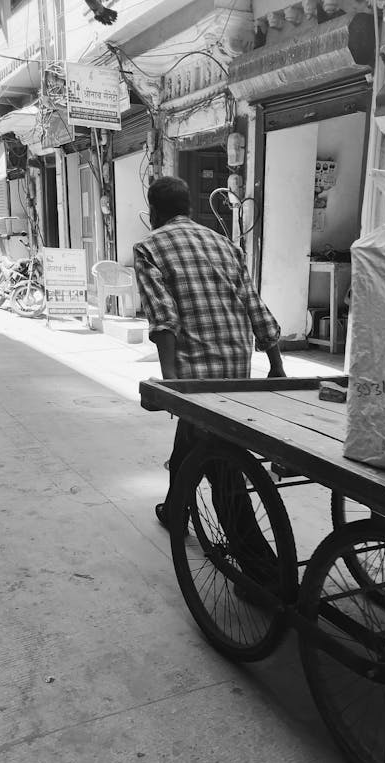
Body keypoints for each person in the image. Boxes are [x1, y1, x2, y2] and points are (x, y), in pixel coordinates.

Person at [134, 175, 286, 585]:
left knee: (221, 468)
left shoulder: (149, 247)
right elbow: (255, 305)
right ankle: (175, 508)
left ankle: (264, 576)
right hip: (236, 368)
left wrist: (171, 384)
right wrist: (276, 364)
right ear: (189, 207)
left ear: (153, 213)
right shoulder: (225, 244)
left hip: (196, 377)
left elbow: (162, 318)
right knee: (191, 443)